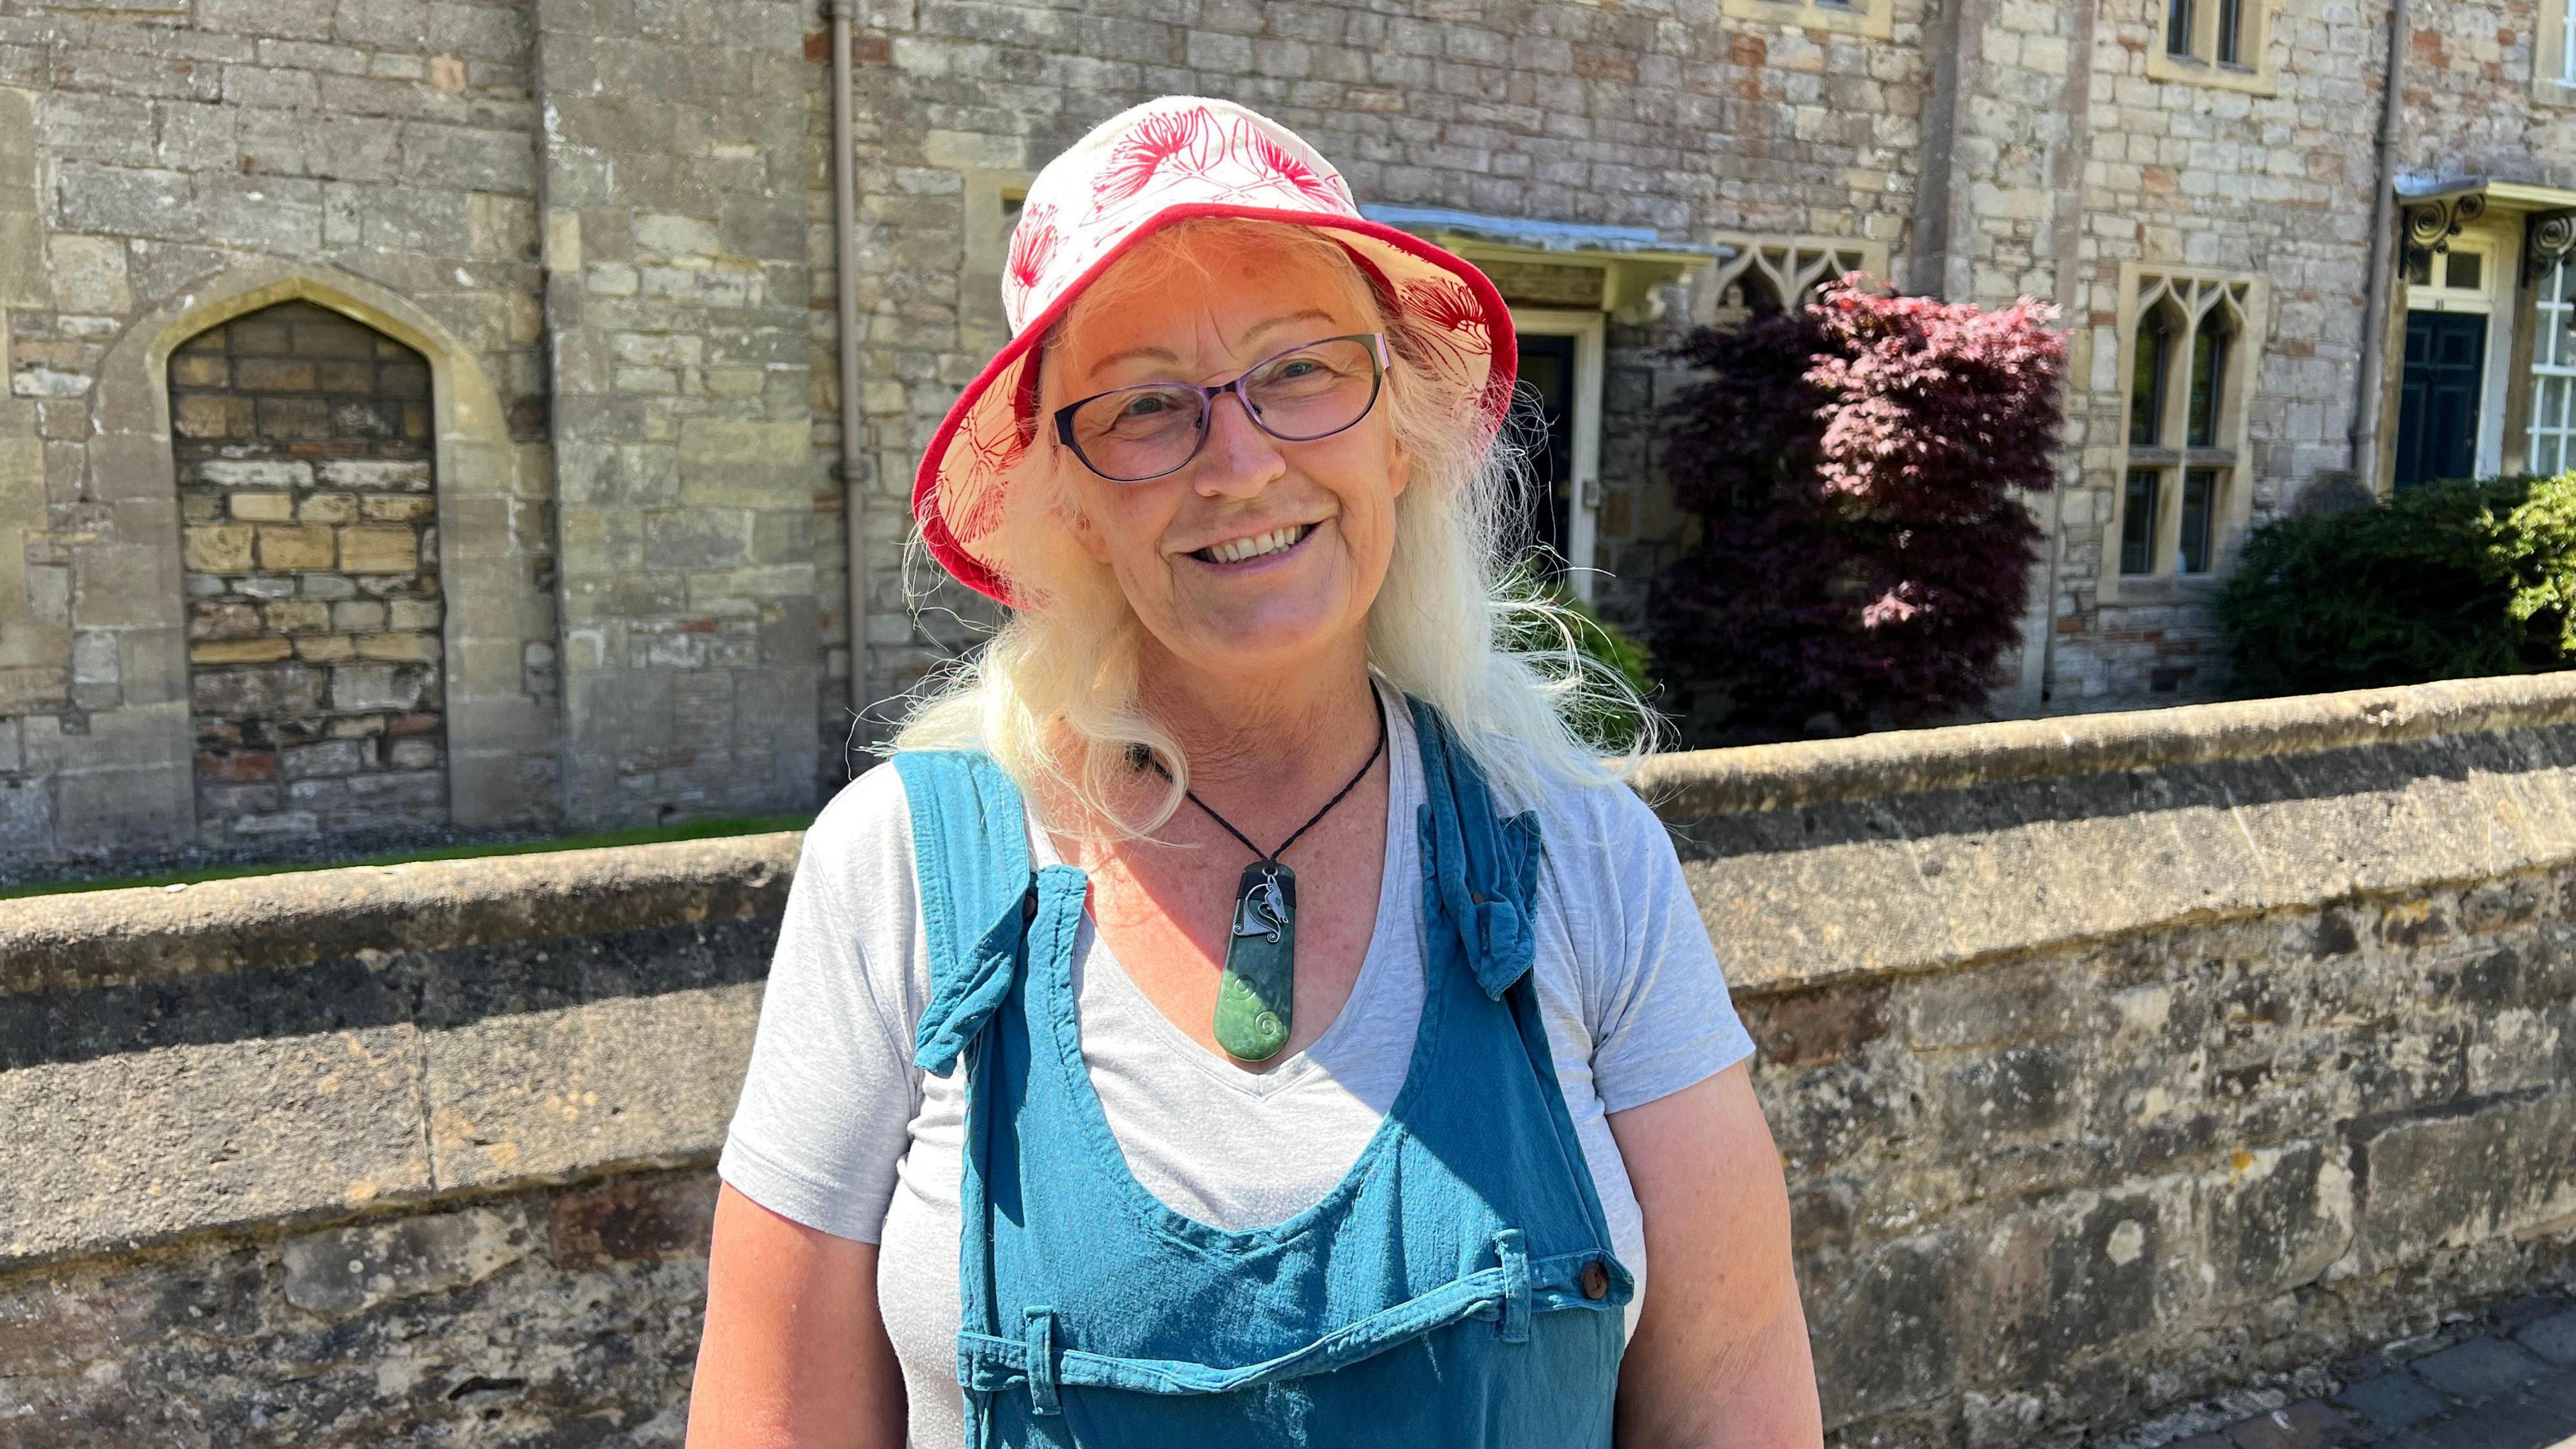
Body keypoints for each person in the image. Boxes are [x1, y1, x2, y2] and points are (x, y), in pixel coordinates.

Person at [687, 96, 1822, 1448]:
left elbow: (1737, 1396)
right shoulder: (897, 875)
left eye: (1300, 372)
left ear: (1395, 434)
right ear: (1072, 502)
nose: (1239, 461)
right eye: (1147, 406)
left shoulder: (1586, 863)